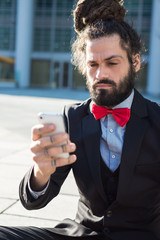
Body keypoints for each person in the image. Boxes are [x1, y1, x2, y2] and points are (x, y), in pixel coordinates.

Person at [0, 0, 160, 239]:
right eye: (92, 64)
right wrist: (40, 172)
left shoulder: (157, 120)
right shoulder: (72, 117)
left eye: (112, 63)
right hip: (81, 234)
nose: (100, 74)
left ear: (135, 62)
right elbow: (32, 202)